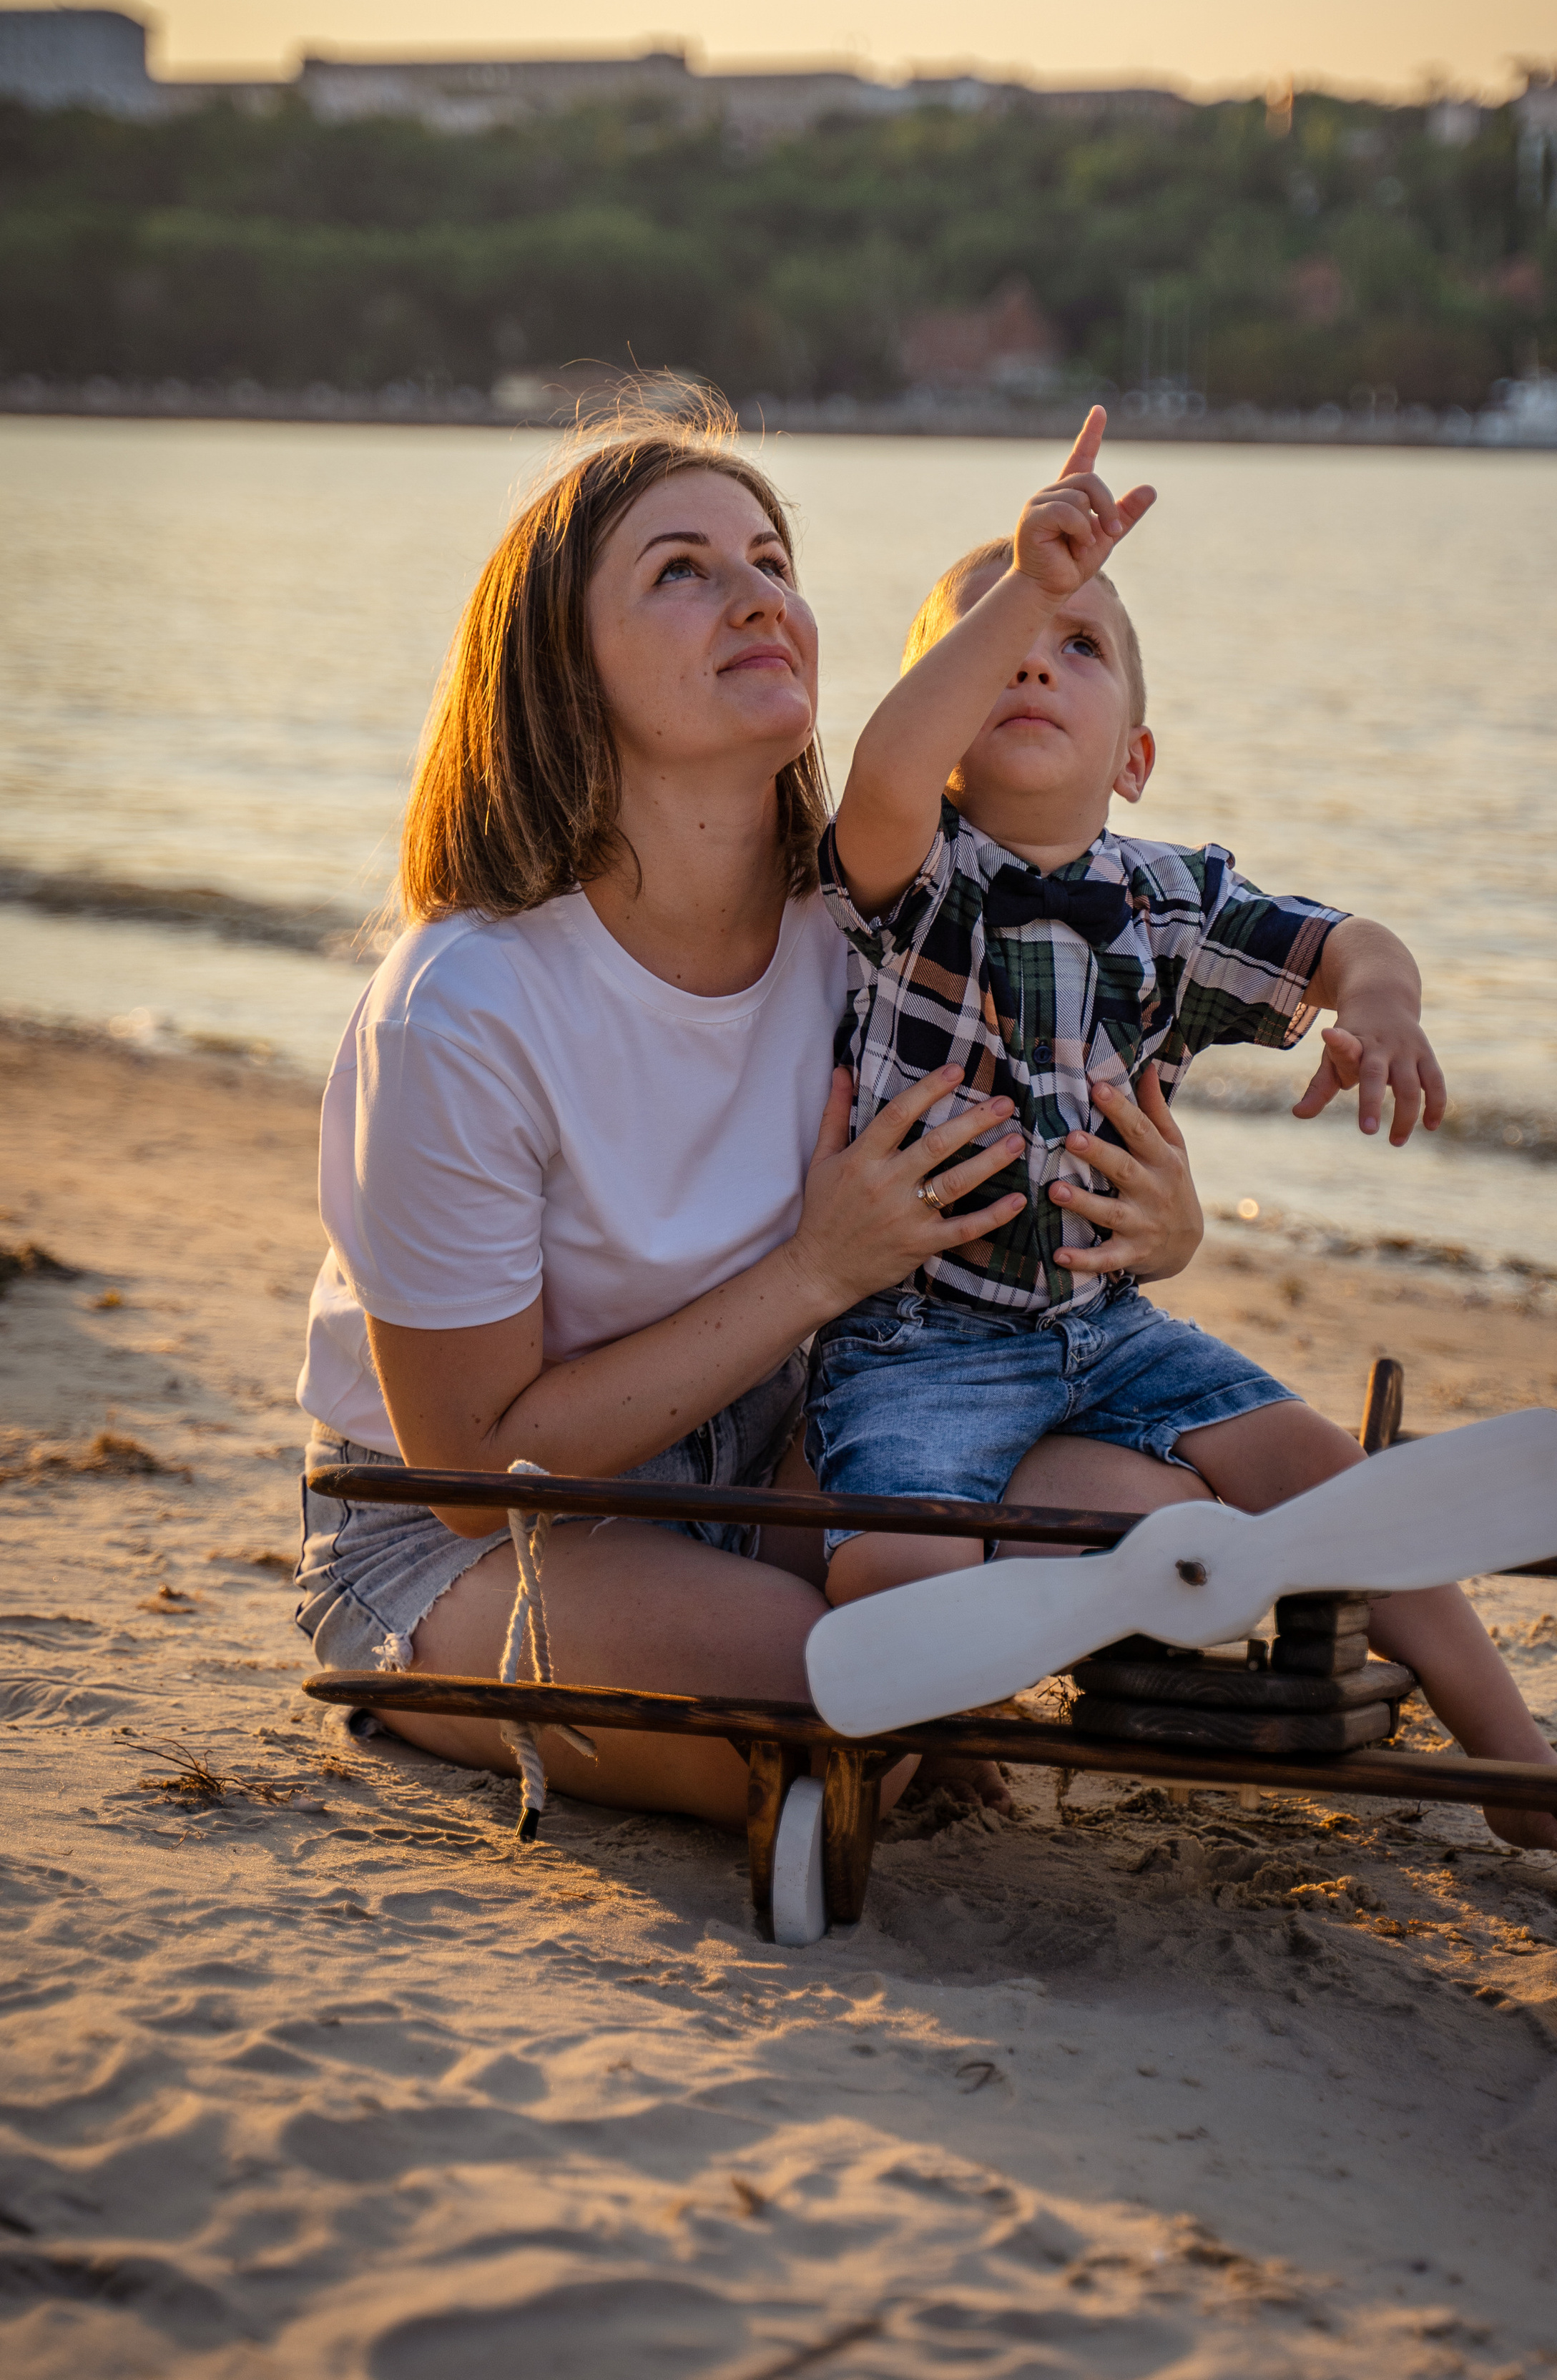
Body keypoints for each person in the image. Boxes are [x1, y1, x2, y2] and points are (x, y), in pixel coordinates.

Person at [293, 400, 1209, 1833]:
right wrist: (816, 1270)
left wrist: (1158, 1225)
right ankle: (891, 1690)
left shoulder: (872, 935)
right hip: (467, 1541)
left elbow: (1014, 1211)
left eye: (773, 562)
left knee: (1173, 1508)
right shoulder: (463, 1009)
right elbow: (472, 1474)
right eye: (683, 569)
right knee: (834, 1710)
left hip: (795, 1453)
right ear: (561, 667)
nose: (759, 596)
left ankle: (932, 1663)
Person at [807, 406, 1557, 1872]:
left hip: (1110, 1333)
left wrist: (1381, 1008)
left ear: (1137, 756)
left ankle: (1516, 1761)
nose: (1032, 655)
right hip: (915, 1345)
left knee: (1322, 1469)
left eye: (1079, 644)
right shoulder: (907, 874)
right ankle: (951, 1715)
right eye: (991, 637)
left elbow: (1345, 940)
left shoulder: (1171, 903)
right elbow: (892, 760)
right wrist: (1032, 580)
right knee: (895, 1570)